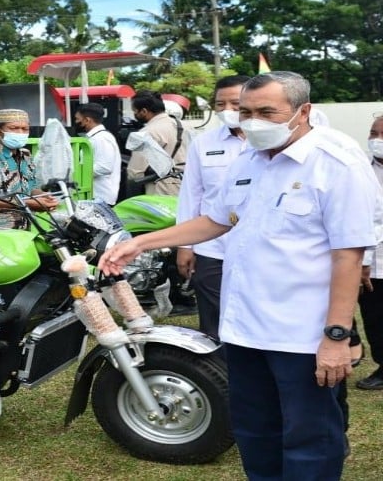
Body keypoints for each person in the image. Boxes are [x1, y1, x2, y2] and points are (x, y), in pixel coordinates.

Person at [99, 71, 377, 480]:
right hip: (244, 327)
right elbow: (216, 220)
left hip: (301, 333)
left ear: (304, 112)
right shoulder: (248, 158)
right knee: (254, 430)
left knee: (309, 436)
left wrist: (336, 337)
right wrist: (141, 243)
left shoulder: (336, 162)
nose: (252, 121)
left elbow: (348, 256)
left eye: (267, 111)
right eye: (246, 111)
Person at [176, 75, 250, 343]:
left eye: (235, 103)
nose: (227, 110)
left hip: (255, 247)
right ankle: (217, 371)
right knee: (214, 316)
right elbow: (191, 195)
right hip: (212, 247)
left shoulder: (266, 142)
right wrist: (185, 245)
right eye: (220, 104)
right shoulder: (203, 143)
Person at [0, 108, 58, 229]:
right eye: (14, 128)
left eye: (25, 129)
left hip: (24, 228)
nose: (20, 133)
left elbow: (30, 188)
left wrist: (43, 196)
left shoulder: (26, 155)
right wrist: (29, 203)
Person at [356, 114, 383, 390]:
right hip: (371, 262)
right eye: (374, 133)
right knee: (375, 318)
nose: (377, 140)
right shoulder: (359, 167)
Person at [126, 90, 189, 196]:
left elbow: (135, 172)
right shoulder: (186, 127)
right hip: (186, 185)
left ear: (144, 111)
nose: (134, 114)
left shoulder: (146, 133)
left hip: (161, 189)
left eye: (135, 111)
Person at [74, 103, 120, 206]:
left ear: (87, 120)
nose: (76, 122)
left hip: (100, 197)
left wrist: (77, 172)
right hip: (94, 197)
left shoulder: (101, 139)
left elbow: (104, 167)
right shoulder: (95, 137)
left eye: (77, 119)